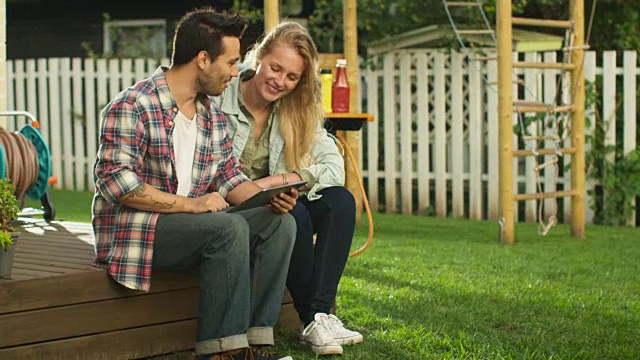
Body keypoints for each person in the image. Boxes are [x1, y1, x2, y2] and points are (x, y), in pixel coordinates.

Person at [91, 8, 298, 360]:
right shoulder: (133, 105)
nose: (237, 72)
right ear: (203, 59)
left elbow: (229, 176)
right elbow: (118, 184)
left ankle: (255, 343)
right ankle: (220, 352)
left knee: (279, 224)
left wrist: (269, 197)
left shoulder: (212, 116)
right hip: (137, 230)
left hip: (196, 227)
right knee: (228, 227)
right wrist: (193, 205)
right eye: (231, 63)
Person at [214, 22, 363, 356]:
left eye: (291, 77)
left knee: (339, 201)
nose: (280, 82)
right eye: (275, 68)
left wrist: (282, 181)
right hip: (232, 207)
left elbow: (332, 166)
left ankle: (320, 315)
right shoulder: (221, 96)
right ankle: (313, 318)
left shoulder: (299, 107)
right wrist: (266, 189)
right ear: (258, 58)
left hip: (279, 200)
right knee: (292, 211)